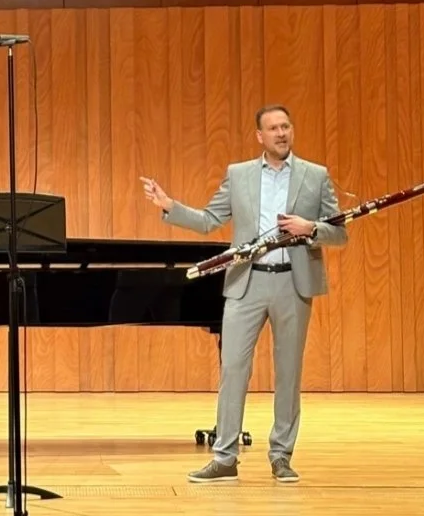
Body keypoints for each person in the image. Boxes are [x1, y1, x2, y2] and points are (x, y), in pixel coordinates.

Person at [140, 104, 348, 484]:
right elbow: (209, 220)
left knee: (288, 373)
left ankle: (281, 456)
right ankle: (224, 457)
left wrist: (311, 228)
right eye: (274, 128)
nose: (281, 133)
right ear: (260, 136)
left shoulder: (315, 176)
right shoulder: (239, 175)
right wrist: (170, 206)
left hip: (293, 283)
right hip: (246, 283)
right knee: (233, 369)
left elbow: (339, 233)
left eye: (286, 126)